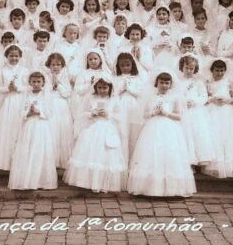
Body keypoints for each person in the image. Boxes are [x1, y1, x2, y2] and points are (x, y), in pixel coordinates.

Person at [128, 69, 196, 197]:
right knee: (152, 153)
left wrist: (167, 113)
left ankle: (171, 188)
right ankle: (150, 188)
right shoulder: (151, 97)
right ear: (156, 83)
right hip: (152, 126)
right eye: (161, 83)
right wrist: (153, 112)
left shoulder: (175, 97)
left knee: (169, 153)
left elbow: (179, 116)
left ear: (170, 84)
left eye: (167, 83)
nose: (164, 85)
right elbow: (144, 114)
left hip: (169, 127)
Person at [64, 74, 126, 193]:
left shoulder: (113, 100)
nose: (102, 90)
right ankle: (88, 182)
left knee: (106, 155)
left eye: (105, 88)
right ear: (95, 87)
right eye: (99, 88)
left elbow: (120, 117)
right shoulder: (91, 98)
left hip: (107, 129)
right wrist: (91, 114)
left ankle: (103, 183)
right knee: (91, 153)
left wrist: (109, 115)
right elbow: (82, 113)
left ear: (110, 88)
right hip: (92, 128)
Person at [8, 71, 57, 190]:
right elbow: (21, 111)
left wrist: (39, 111)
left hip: (41, 125)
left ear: (43, 83)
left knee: (39, 150)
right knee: (27, 150)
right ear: (29, 82)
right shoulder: (26, 95)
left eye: (38, 82)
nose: (36, 84)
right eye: (33, 81)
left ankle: (40, 181)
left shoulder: (46, 95)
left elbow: (50, 113)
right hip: (29, 125)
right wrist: (28, 113)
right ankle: (26, 180)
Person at [0, 45, 29, 170]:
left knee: (18, 128)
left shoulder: (25, 70)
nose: (14, 58)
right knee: (6, 128)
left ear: (20, 57)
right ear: (6, 56)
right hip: (7, 102)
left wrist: (18, 88)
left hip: (20, 101)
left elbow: (28, 87)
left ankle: (19, 162)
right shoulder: (2, 71)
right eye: (11, 56)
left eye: (16, 56)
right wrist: (7, 88)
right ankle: (5, 162)